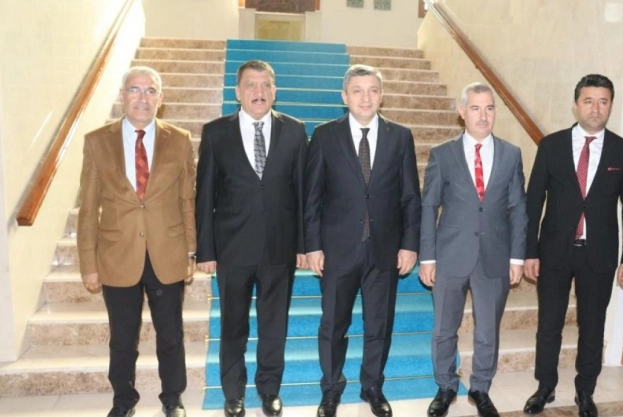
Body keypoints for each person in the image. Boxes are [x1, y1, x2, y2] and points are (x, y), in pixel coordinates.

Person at [304, 64, 421, 417]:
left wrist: (410, 244)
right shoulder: (325, 135)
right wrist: (312, 245)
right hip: (337, 250)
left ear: (381, 95)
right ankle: (331, 388)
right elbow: (312, 196)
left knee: (379, 325)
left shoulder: (401, 136)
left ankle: (372, 386)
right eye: (357, 90)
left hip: (384, 251)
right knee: (333, 325)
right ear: (345, 96)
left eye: (372, 90)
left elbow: (410, 197)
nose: (365, 97)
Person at [77, 66, 195, 417]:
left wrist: (191, 251)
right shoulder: (97, 141)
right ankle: (123, 399)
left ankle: (172, 397)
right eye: (135, 89)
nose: (143, 97)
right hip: (117, 255)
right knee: (122, 338)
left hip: (168, 252)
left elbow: (187, 200)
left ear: (161, 98)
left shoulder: (180, 139)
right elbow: (88, 207)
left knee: (171, 334)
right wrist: (88, 263)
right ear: (122, 95)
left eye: (150, 90)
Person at [522, 74, 623, 417]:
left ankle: (585, 391)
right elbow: (533, 202)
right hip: (553, 252)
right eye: (588, 101)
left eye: (603, 101)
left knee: (592, 326)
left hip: (599, 254)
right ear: (576, 105)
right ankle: (545, 387)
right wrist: (529, 251)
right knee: (549, 325)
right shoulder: (551, 145)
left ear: (611, 106)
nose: (595, 108)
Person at [195, 59, 307, 417]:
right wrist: (205, 250)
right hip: (232, 248)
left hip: (279, 248)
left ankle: (270, 389)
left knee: (274, 325)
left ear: (275, 91)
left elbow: (303, 193)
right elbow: (205, 196)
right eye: (251, 85)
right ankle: (233, 393)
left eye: (265, 85)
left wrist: (304, 245)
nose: (259, 92)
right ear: (237, 92)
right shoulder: (215, 133)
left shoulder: (295, 130)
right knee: (233, 325)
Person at [419, 82, 527, 417]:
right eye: (476, 108)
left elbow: (518, 208)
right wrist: (427, 256)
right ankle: (445, 386)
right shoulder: (443, 154)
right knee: (444, 328)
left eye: (489, 108)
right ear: (462, 112)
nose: (483, 116)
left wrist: (517, 256)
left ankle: (480, 387)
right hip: (450, 254)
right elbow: (428, 206)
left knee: (487, 330)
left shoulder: (511, 154)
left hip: (494, 255)